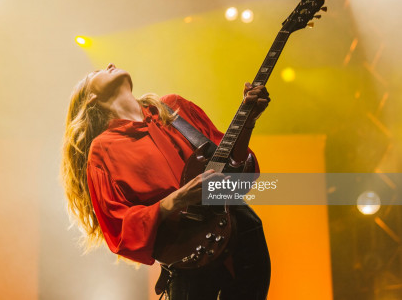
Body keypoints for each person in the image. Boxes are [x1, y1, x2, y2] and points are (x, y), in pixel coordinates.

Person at [61, 63, 271, 299]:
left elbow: (236, 175)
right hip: (188, 259)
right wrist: (177, 199)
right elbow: (119, 227)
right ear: (90, 98)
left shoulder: (174, 107)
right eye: (96, 72)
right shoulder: (102, 150)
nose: (109, 64)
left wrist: (248, 120)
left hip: (242, 232)